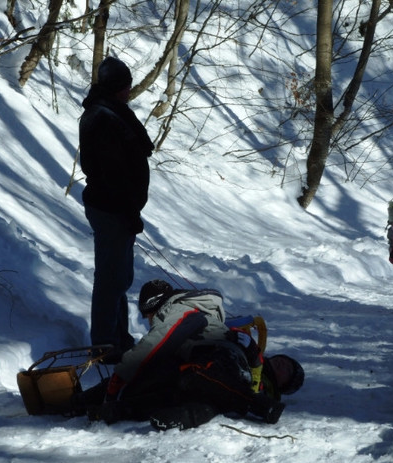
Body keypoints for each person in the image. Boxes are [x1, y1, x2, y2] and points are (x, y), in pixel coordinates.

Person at [75, 280, 305, 431]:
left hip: (219, 361)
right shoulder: (194, 315)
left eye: (286, 369)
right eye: (283, 362)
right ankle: (84, 405)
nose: (150, 322)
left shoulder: (182, 312)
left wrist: (118, 380)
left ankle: (259, 406)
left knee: (201, 378)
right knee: (168, 384)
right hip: (199, 364)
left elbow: (152, 346)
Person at [78, 56, 154, 358]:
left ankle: (119, 339)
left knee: (120, 278)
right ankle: (104, 345)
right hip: (110, 208)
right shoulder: (103, 118)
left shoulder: (112, 112)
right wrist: (127, 212)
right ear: (115, 88)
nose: (129, 91)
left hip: (116, 207)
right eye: (125, 86)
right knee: (110, 279)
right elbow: (112, 174)